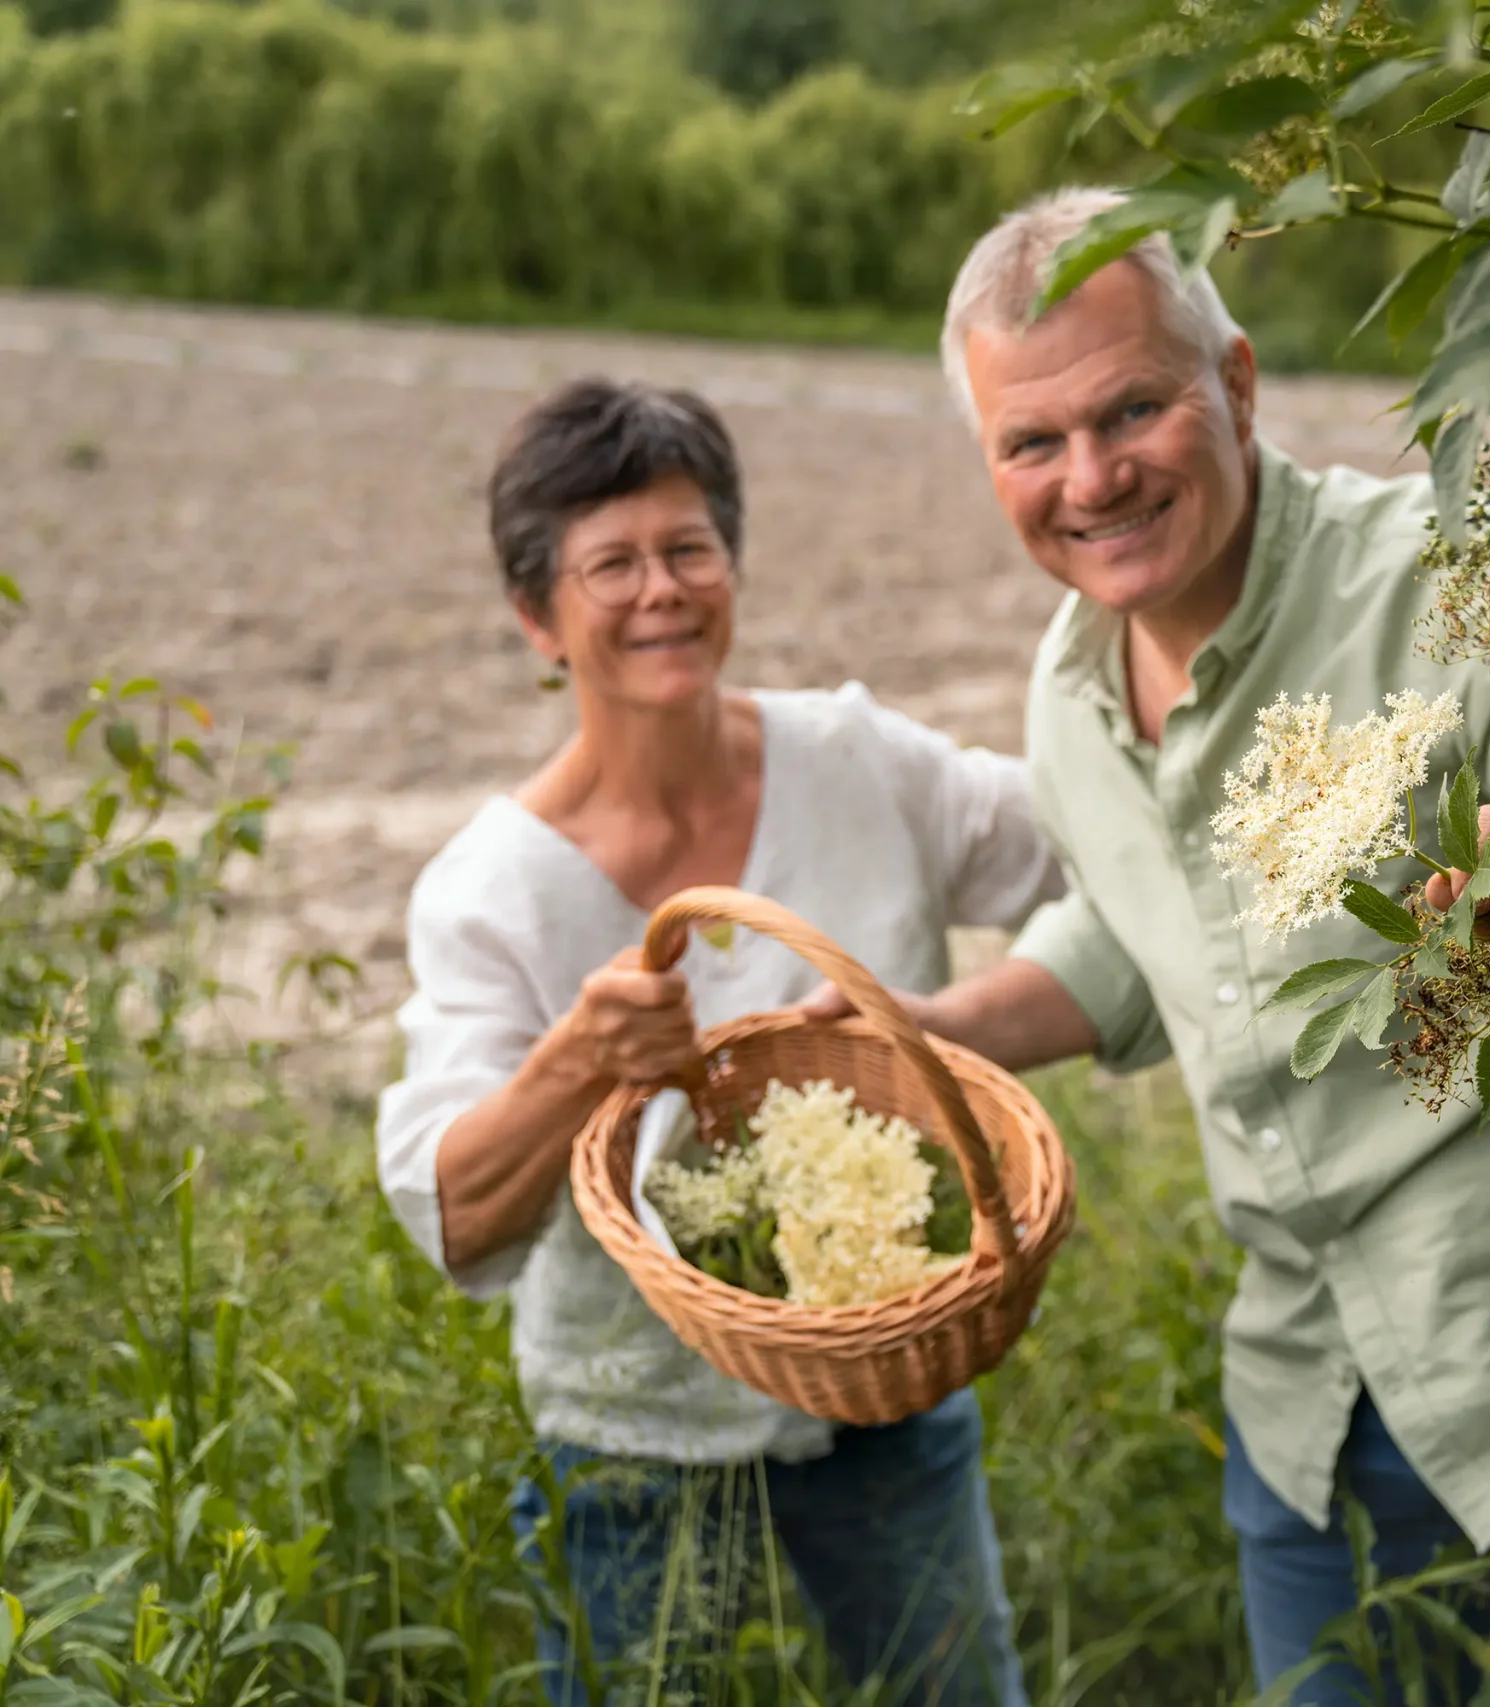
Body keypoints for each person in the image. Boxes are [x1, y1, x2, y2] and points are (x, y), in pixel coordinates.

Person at [820, 188, 1490, 1705]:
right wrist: (928, 1031)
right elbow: (1147, 925)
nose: (1091, 477)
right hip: (1316, 1419)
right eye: (1032, 443)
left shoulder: (1453, 576)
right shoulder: (1069, 692)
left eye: (1133, 406)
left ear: (1239, 383)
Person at [375, 379, 1046, 1707]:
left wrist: (983, 1020)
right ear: (537, 616)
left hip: (884, 1385)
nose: (660, 590)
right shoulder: (489, 890)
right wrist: (578, 1058)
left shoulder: (860, 761)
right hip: (636, 1434)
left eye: (688, 548)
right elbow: (453, 1215)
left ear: (731, 566)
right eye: (609, 564)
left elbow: (1092, 847)